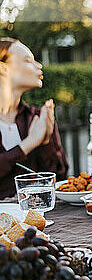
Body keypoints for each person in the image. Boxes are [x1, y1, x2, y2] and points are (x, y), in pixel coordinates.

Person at [0, 37, 68, 199]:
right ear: (3, 68)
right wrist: (28, 145)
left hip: (35, 217)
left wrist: (45, 142)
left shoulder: (36, 117)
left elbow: (60, 177)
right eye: (27, 60)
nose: (39, 65)